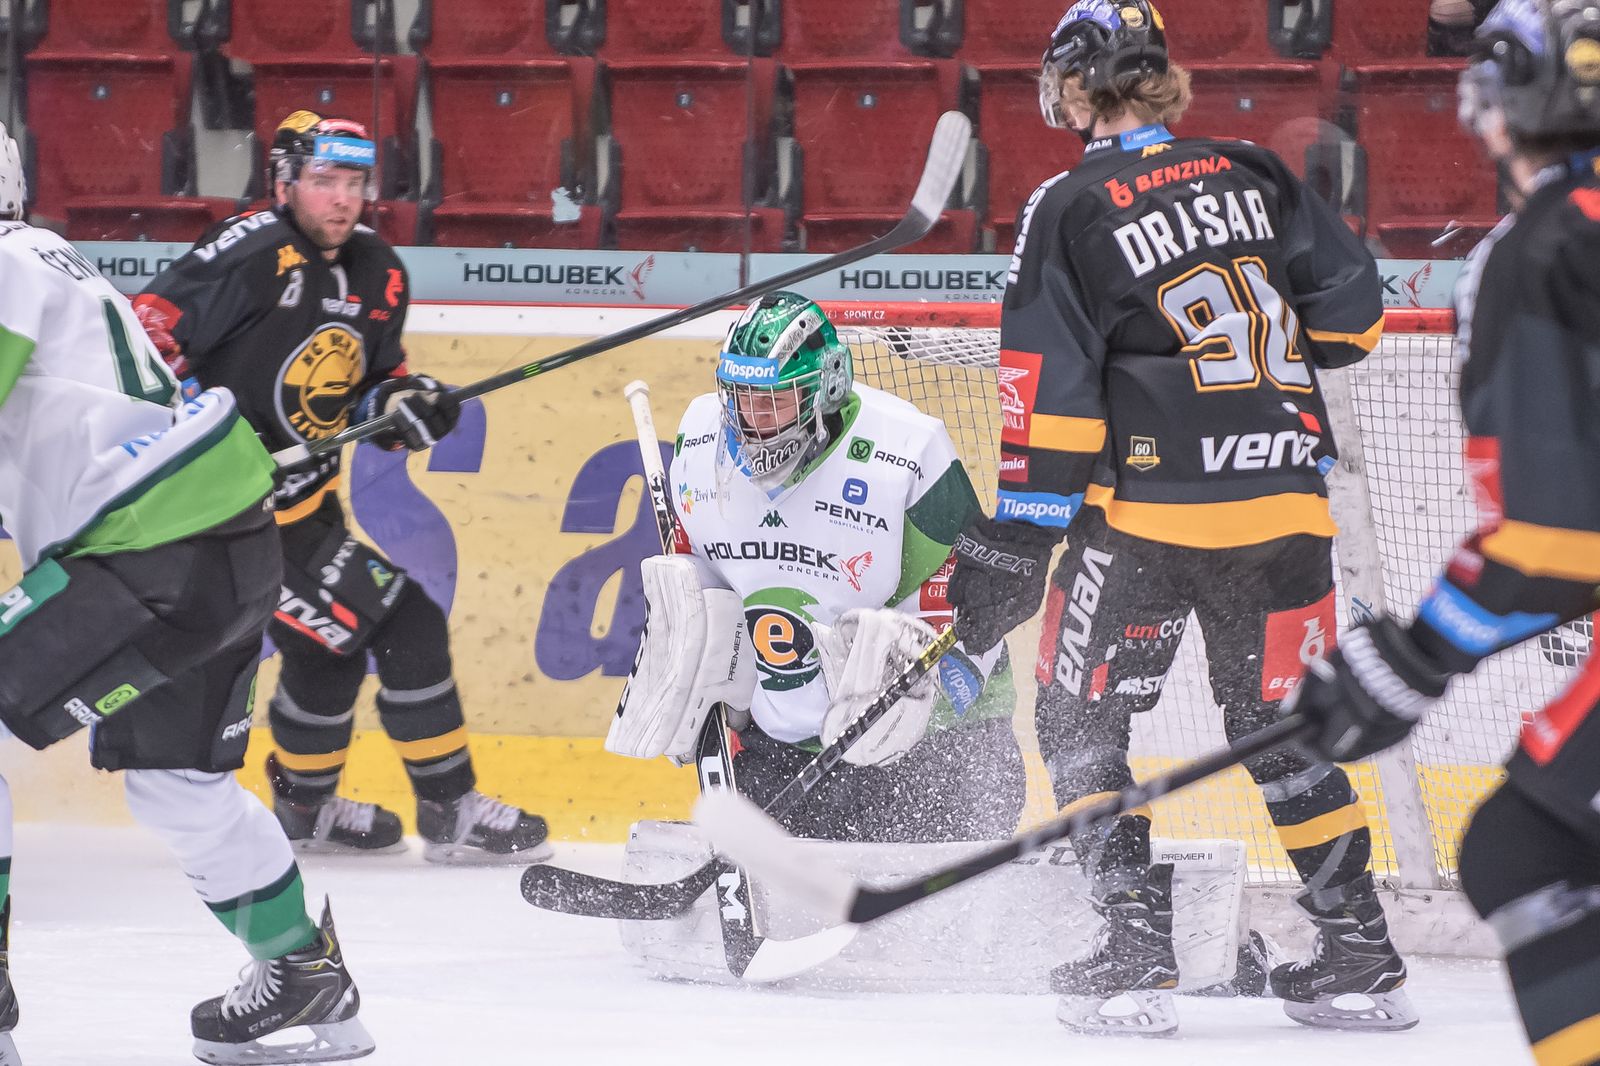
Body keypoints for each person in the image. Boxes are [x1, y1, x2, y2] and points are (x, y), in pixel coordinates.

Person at [944, 0, 1410, 1037]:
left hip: (1146, 521)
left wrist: (1019, 535)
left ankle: (1135, 955)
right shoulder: (1256, 171)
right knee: (1281, 729)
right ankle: (1360, 959)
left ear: (1074, 86)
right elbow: (1355, 323)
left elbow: (1052, 392)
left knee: (1079, 722)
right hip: (1285, 509)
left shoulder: (1067, 204)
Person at [0, 122, 372, 1063]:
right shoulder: (47, 260)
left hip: (149, 546)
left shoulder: (3, 266)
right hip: (229, 537)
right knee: (180, 787)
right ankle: (305, 978)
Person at [1286, 2, 1600, 1063]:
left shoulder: (1545, 247)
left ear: (1502, 109)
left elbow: (1559, 543)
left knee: (1527, 847)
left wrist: (1410, 660)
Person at [132, 111, 549, 864]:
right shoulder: (250, 251)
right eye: (324, 180)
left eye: (354, 181)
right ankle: (450, 808)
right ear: (284, 181)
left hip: (309, 512)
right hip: (232, 520)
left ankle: (304, 809)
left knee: (329, 652)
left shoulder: (379, 271)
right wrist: (196, 422)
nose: (342, 198)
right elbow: (145, 337)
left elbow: (371, 387)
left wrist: (404, 405)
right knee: (407, 622)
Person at [607, 291, 1027, 843]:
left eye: (775, 401)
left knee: (918, 892)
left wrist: (915, 701)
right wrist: (707, 670)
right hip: (784, 755)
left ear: (825, 389)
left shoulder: (908, 452)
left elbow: (974, 620)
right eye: (741, 399)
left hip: (937, 754)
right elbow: (708, 593)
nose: (753, 423)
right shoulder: (700, 441)